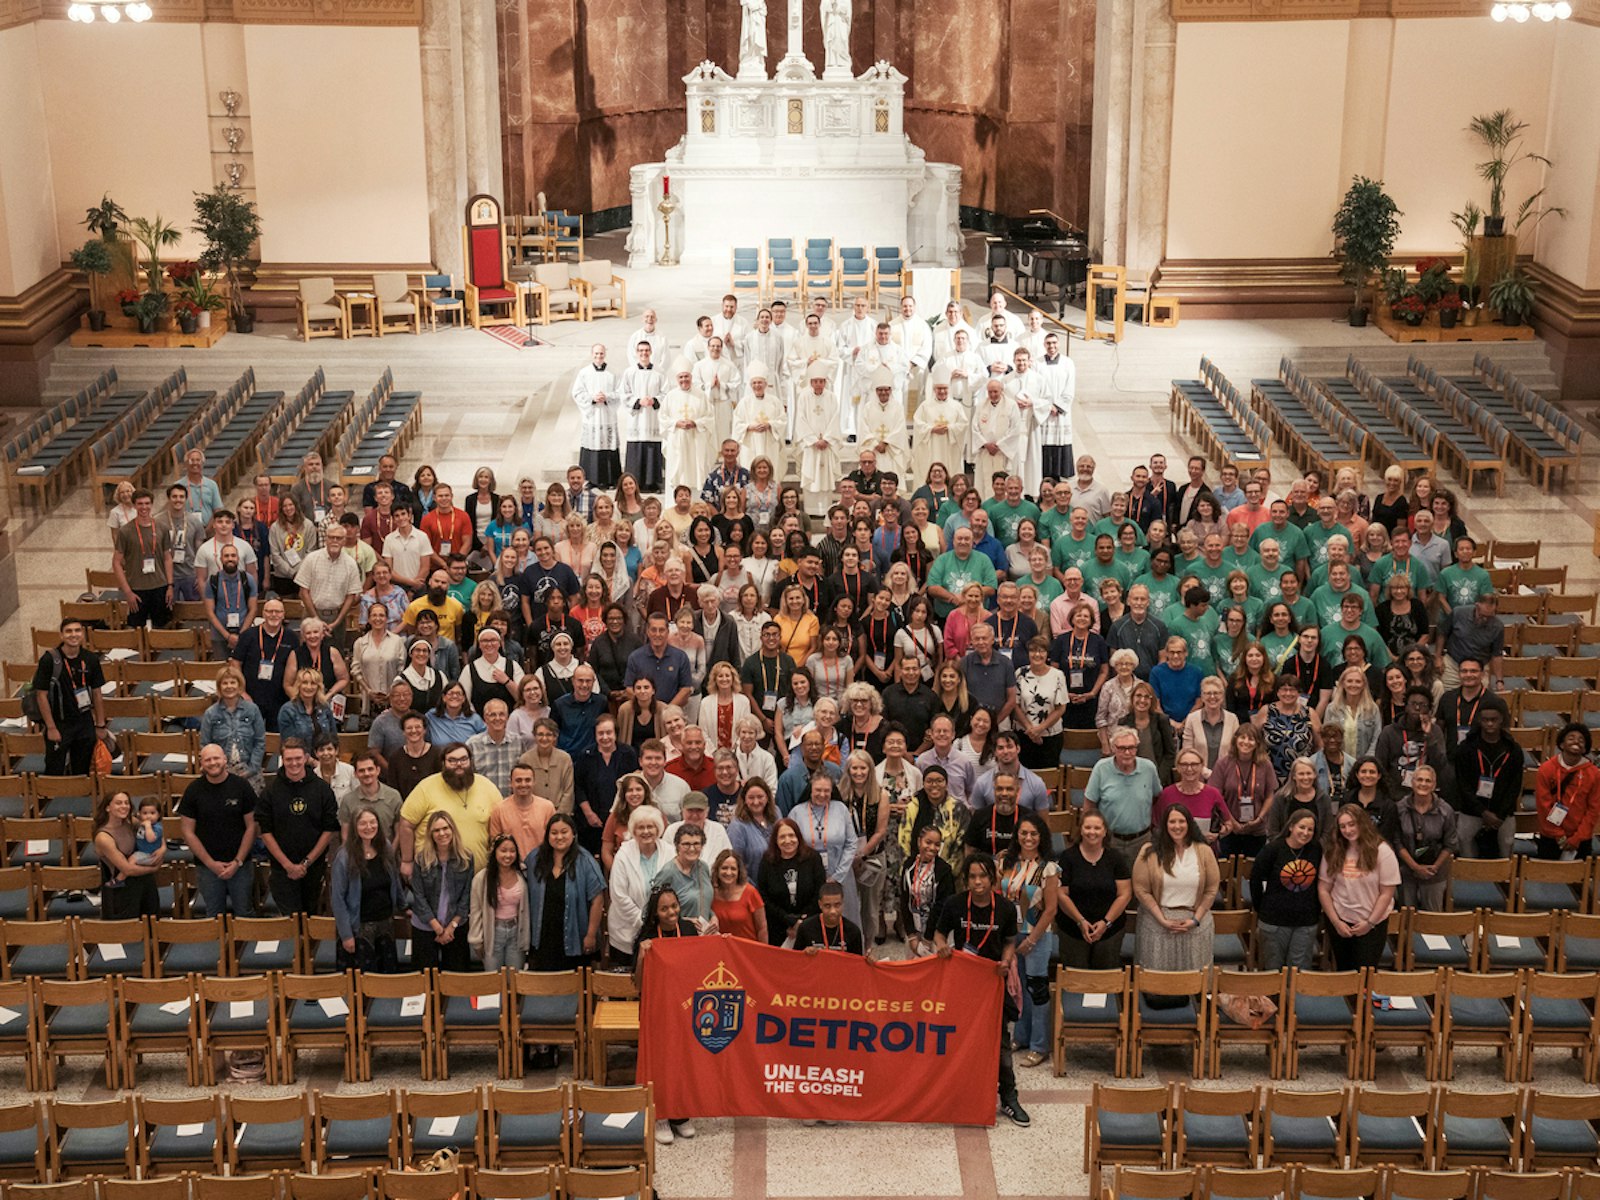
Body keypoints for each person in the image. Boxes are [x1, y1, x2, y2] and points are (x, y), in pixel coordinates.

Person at [934, 852, 1027, 1127]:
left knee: (999, 1045)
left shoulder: (1006, 908)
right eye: (972, 877)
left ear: (993, 878)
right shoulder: (955, 904)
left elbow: (1010, 940)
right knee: (958, 1042)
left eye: (983, 876)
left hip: (992, 984)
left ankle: (1009, 1097)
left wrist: (1007, 961)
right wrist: (941, 945)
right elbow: (939, 933)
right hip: (962, 985)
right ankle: (958, 1096)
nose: (977, 882)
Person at [1001, 811, 1060, 1068]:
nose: (1028, 838)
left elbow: (1051, 909)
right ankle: (1020, 1037)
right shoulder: (1005, 862)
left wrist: (1032, 940)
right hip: (1012, 934)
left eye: (1033, 834)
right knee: (1018, 989)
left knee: (1036, 990)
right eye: (1023, 833)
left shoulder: (1048, 867)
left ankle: (1039, 1045)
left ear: (1041, 837)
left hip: (1037, 935)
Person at [255, 739, 340, 915]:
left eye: (298, 758)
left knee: (310, 916)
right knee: (290, 920)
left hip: (313, 867)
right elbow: (265, 831)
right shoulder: (270, 791)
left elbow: (329, 829)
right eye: (289, 759)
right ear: (282, 759)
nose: (293, 763)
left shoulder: (322, 790)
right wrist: (288, 866)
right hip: (281, 869)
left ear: (306, 758)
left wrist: (306, 863)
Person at [1132, 805, 1219, 973]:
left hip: (1195, 923)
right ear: (1165, 825)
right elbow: (1141, 889)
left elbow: (1211, 890)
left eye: (1181, 821)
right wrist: (1162, 919)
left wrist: (1195, 920)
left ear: (1189, 824)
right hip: (1157, 923)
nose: (1177, 826)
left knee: (1193, 984)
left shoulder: (1204, 851)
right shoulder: (1149, 851)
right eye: (1172, 821)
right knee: (1158, 985)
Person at [1319, 803, 1400, 969]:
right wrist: (1336, 922)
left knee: (1365, 976)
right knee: (1344, 973)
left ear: (1362, 823)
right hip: (1340, 922)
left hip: (1371, 924)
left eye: (1351, 824)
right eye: (1343, 826)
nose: (1348, 830)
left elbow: (1386, 893)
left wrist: (1369, 923)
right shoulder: (1334, 850)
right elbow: (1323, 889)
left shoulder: (1382, 851)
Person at [1054, 810, 1133, 969]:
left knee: (1104, 984)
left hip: (1110, 932)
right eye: (1088, 827)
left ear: (1105, 832)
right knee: (1075, 982)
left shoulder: (1115, 858)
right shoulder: (1067, 857)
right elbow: (1061, 894)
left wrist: (1105, 923)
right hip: (1072, 930)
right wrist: (1080, 921)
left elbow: (1125, 894)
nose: (1092, 832)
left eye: (1097, 828)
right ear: (1081, 830)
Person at [330, 806, 405, 972]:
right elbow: (338, 900)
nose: (369, 827)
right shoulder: (344, 857)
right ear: (354, 828)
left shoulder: (385, 847)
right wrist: (346, 935)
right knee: (364, 983)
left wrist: (404, 906)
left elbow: (394, 881)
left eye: (372, 822)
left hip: (385, 924)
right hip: (359, 929)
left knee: (386, 981)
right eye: (363, 823)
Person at [1248, 810, 1323, 970]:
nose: (1305, 833)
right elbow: (1255, 880)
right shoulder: (1273, 849)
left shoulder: (1316, 849)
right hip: (1274, 922)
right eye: (1301, 827)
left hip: (1305, 922)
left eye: (1310, 829)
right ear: (1291, 827)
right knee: (1273, 972)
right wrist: (1261, 909)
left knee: (1299, 973)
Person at [33, 618, 108, 776]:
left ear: (83, 634)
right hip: (59, 723)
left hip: (84, 722)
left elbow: (97, 693)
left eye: (77, 630)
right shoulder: (49, 660)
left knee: (82, 772)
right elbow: (41, 695)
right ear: (61, 635)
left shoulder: (91, 659)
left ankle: (78, 800)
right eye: (68, 631)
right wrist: (51, 728)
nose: (73, 635)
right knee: (54, 770)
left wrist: (100, 724)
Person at [409, 810, 474, 970]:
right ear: (430, 834)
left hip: (455, 927)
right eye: (436, 830)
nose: (442, 833)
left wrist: (451, 926)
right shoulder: (421, 859)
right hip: (425, 927)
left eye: (445, 828)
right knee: (424, 981)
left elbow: (466, 895)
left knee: (456, 981)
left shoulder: (466, 858)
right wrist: (437, 928)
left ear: (453, 830)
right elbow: (418, 895)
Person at [1452, 707, 1521, 858]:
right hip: (1472, 810)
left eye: (1494, 720)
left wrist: (1499, 815)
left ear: (1501, 720)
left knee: (1506, 853)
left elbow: (1515, 786)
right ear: (1479, 721)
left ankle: (1503, 880)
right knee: (1466, 852)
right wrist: (1482, 812)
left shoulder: (1513, 749)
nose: (1490, 724)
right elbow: (1462, 785)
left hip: (1502, 814)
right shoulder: (1465, 749)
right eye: (1485, 720)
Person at [1085, 727, 1163, 861]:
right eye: (1122, 748)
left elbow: (1157, 796)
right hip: (1109, 840)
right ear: (1113, 748)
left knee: (1141, 881)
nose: (1127, 752)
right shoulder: (1101, 768)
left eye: (1131, 747)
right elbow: (1089, 803)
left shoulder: (1149, 768)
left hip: (1142, 841)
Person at [608, 805, 668, 966]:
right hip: (626, 932)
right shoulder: (623, 854)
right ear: (633, 831)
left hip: (662, 930)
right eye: (641, 827)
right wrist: (643, 922)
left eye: (650, 827)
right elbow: (619, 895)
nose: (646, 831)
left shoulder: (670, 852)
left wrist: (659, 922)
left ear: (659, 829)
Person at [1534, 723, 1600, 861]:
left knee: (1577, 880)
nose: (1576, 741)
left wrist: (1576, 839)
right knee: (1546, 878)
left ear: (1585, 748)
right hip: (1550, 837)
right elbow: (1543, 806)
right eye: (1571, 738)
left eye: (1581, 740)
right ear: (1562, 744)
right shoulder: (1546, 769)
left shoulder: (1594, 774)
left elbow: (1593, 810)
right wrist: (1559, 836)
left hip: (1580, 839)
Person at [1396, 765, 1458, 910]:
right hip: (1406, 872)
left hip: (1434, 873)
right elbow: (1397, 842)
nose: (1423, 784)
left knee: (1432, 920)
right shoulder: (1399, 808)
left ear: (1434, 785)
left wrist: (1434, 868)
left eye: (1428, 781)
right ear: (1412, 782)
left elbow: (1450, 844)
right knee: (1406, 918)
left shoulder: (1446, 810)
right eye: (1419, 780)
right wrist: (1415, 867)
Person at [95, 790, 162, 918]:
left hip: (145, 886)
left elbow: (158, 836)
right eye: (119, 803)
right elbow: (127, 869)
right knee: (127, 934)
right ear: (108, 807)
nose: (124, 806)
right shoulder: (103, 837)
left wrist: (162, 850)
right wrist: (153, 868)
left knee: (153, 929)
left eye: (126, 803)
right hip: (122, 893)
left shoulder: (132, 822)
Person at [900, 824, 956, 958]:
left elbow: (943, 906)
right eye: (928, 842)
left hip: (936, 931)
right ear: (919, 841)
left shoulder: (944, 870)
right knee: (912, 970)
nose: (932, 848)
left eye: (937, 844)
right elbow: (904, 899)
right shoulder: (908, 865)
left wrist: (928, 938)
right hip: (914, 926)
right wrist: (911, 935)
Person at [338, 752, 403, 842]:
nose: (366, 773)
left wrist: (391, 853)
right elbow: (345, 835)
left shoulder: (393, 796)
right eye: (361, 770)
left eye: (370, 769)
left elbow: (399, 832)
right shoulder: (348, 800)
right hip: (357, 854)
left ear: (378, 770)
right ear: (355, 774)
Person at [709, 848, 768, 942]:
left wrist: (763, 953)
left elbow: (762, 928)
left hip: (747, 951)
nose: (728, 872)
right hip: (720, 952)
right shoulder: (710, 893)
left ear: (739, 871)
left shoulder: (750, 893)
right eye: (724, 868)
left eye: (733, 869)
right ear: (717, 870)